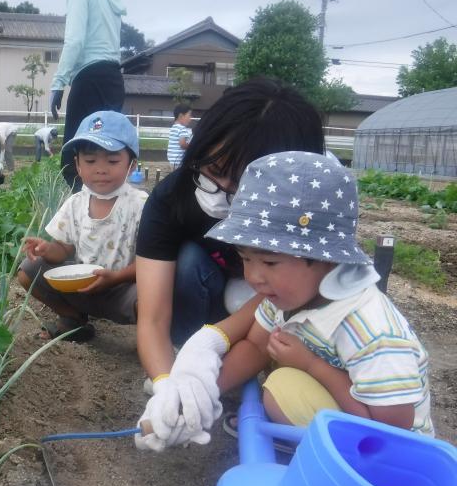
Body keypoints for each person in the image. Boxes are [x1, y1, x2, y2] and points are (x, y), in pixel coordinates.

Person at [136, 151, 433, 450]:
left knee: (282, 387)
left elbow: (394, 430)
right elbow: (255, 345)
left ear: (325, 259)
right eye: (245, 258)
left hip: (391, 452)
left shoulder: (370, 327)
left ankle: (309, 446)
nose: (253, 276)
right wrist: (195, 399)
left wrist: (312, 365)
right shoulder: (287, 296)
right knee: (279, 383)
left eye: (269, 263)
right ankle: (296, 431)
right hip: (348, 412)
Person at [135, 77, 325, 390]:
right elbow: (152, 316)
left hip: (276, 305)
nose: (223, 191)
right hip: (210, 295)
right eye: (214, 171)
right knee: (189, 261)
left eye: (243, 185)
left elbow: (285, 302)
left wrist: (209, 377)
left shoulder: (308, 210)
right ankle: (185, 355)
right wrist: (167, 385)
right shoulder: (173, 197)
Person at [18, 111, 147, 342]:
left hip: (122, 290)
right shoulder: (75, 203)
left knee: (154, 295)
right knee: (27, 270)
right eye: (90, 161)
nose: (100, 168)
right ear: (78, 165)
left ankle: (149, 339)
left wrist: (116, 278)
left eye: (113, 160)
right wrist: (47, 249)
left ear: (131, 165)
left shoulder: (140, 205)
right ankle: (73, 318)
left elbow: (148, 263)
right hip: (80, 288)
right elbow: (63, 248)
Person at [47, 0, 126, 193]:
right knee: (108, 155)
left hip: (90, 78)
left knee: (74, 159)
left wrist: (58, 83)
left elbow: (74, 40)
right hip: (113, 80)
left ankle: (83, 217)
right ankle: (107, 215)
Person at [167, 103, 193, 170]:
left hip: (171, 160)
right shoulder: (182, 128)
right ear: (181, 116)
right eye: (189, 116)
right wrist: (191, 146)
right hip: (178, 161)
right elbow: (182, 144)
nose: (190, 119)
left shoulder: (173, 127)